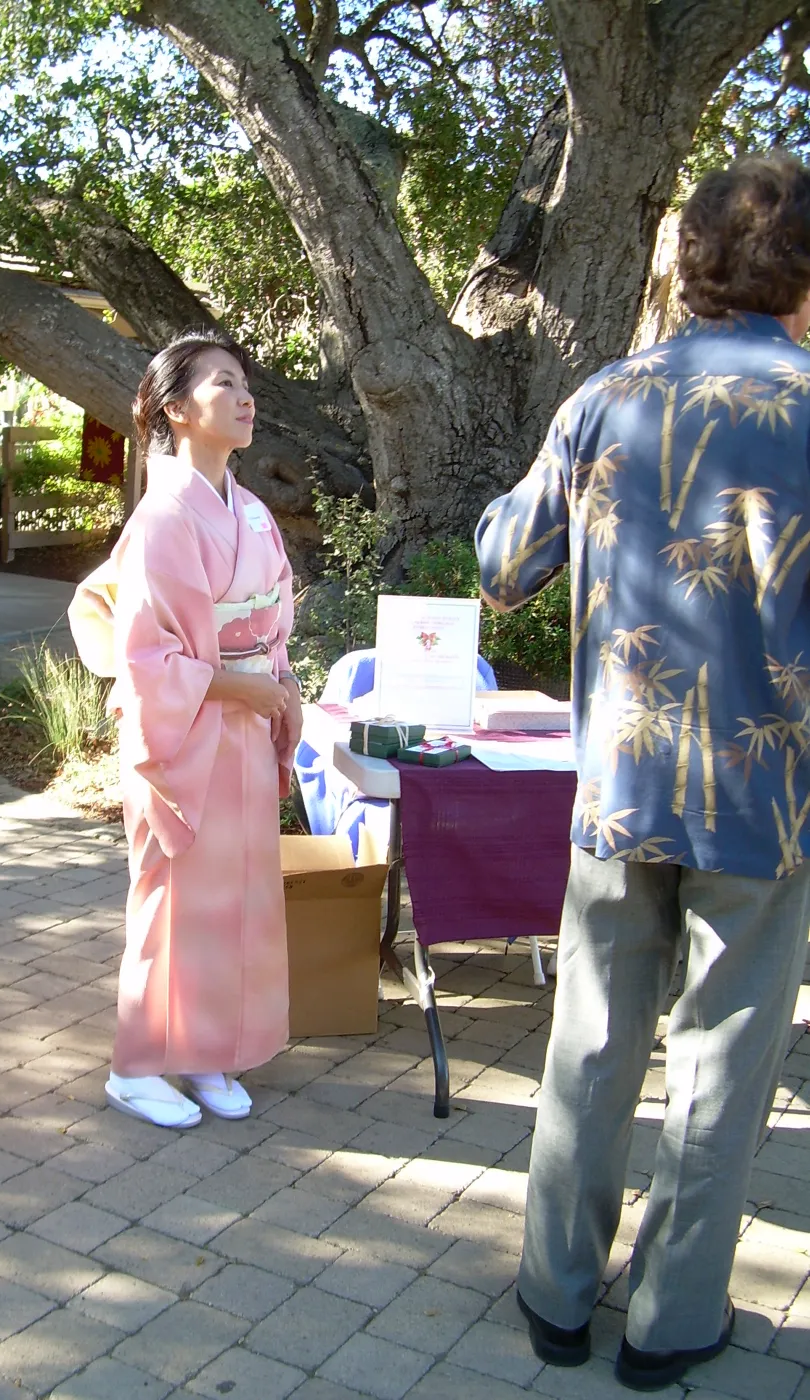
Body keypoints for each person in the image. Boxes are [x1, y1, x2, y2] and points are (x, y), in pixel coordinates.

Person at [476, 151, 810, 1392]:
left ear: (691, 264)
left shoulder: (604, 396)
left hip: (619, 781)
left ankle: (556, 1293)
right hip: (768, 798)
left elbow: (504, 562)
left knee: (594, 1035)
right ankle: (672, 1326)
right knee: (725, 1058)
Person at [69, 328, 301, 1129]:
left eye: (246, 385)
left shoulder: (254, 512)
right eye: (223, 384)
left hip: (239, 717)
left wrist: (273, 679)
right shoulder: (164, 514)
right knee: (171, 899)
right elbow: (145, 655)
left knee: (232, 898)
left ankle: (204, 1050)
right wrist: (237, 684)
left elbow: (272, 620)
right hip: (190, 725)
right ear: (177, 408)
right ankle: (136, 1066)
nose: (245, 398)